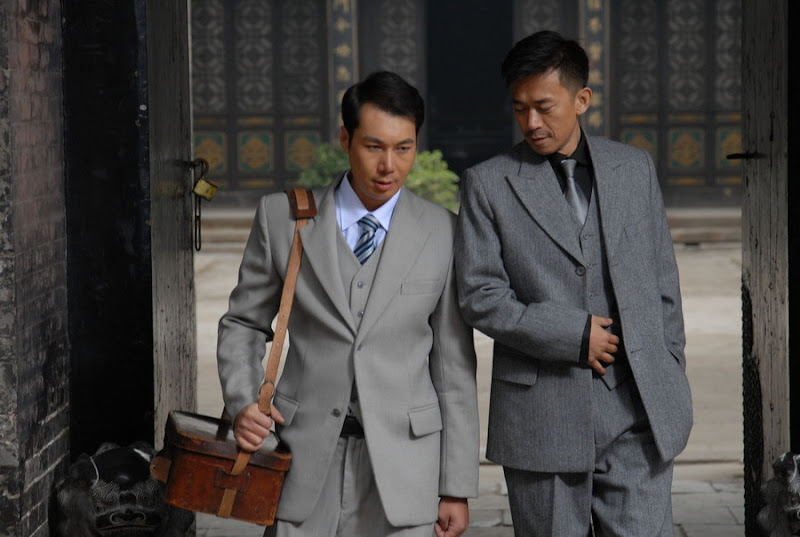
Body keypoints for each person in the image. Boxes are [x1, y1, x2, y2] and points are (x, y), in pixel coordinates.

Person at [217, 71, 479, 537]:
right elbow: (242, 323)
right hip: (299, 458)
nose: (389, 165)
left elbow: (453, 367)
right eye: (374, 146)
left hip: (406, 469)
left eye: (404, 148)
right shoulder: (283, 219)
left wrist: (455, 486)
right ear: (346, 139)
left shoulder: (444, 232)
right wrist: (243, 401)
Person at [454, 31, 692, 536]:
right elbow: (480, 296)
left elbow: (662, 282)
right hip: (542, 418)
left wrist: (669, 367)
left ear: (581, 99)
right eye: (520, 108)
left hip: (638, 413)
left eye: (544, 107)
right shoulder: (488, 184)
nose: (531, 123)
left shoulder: (633, 168)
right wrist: (572, 334)